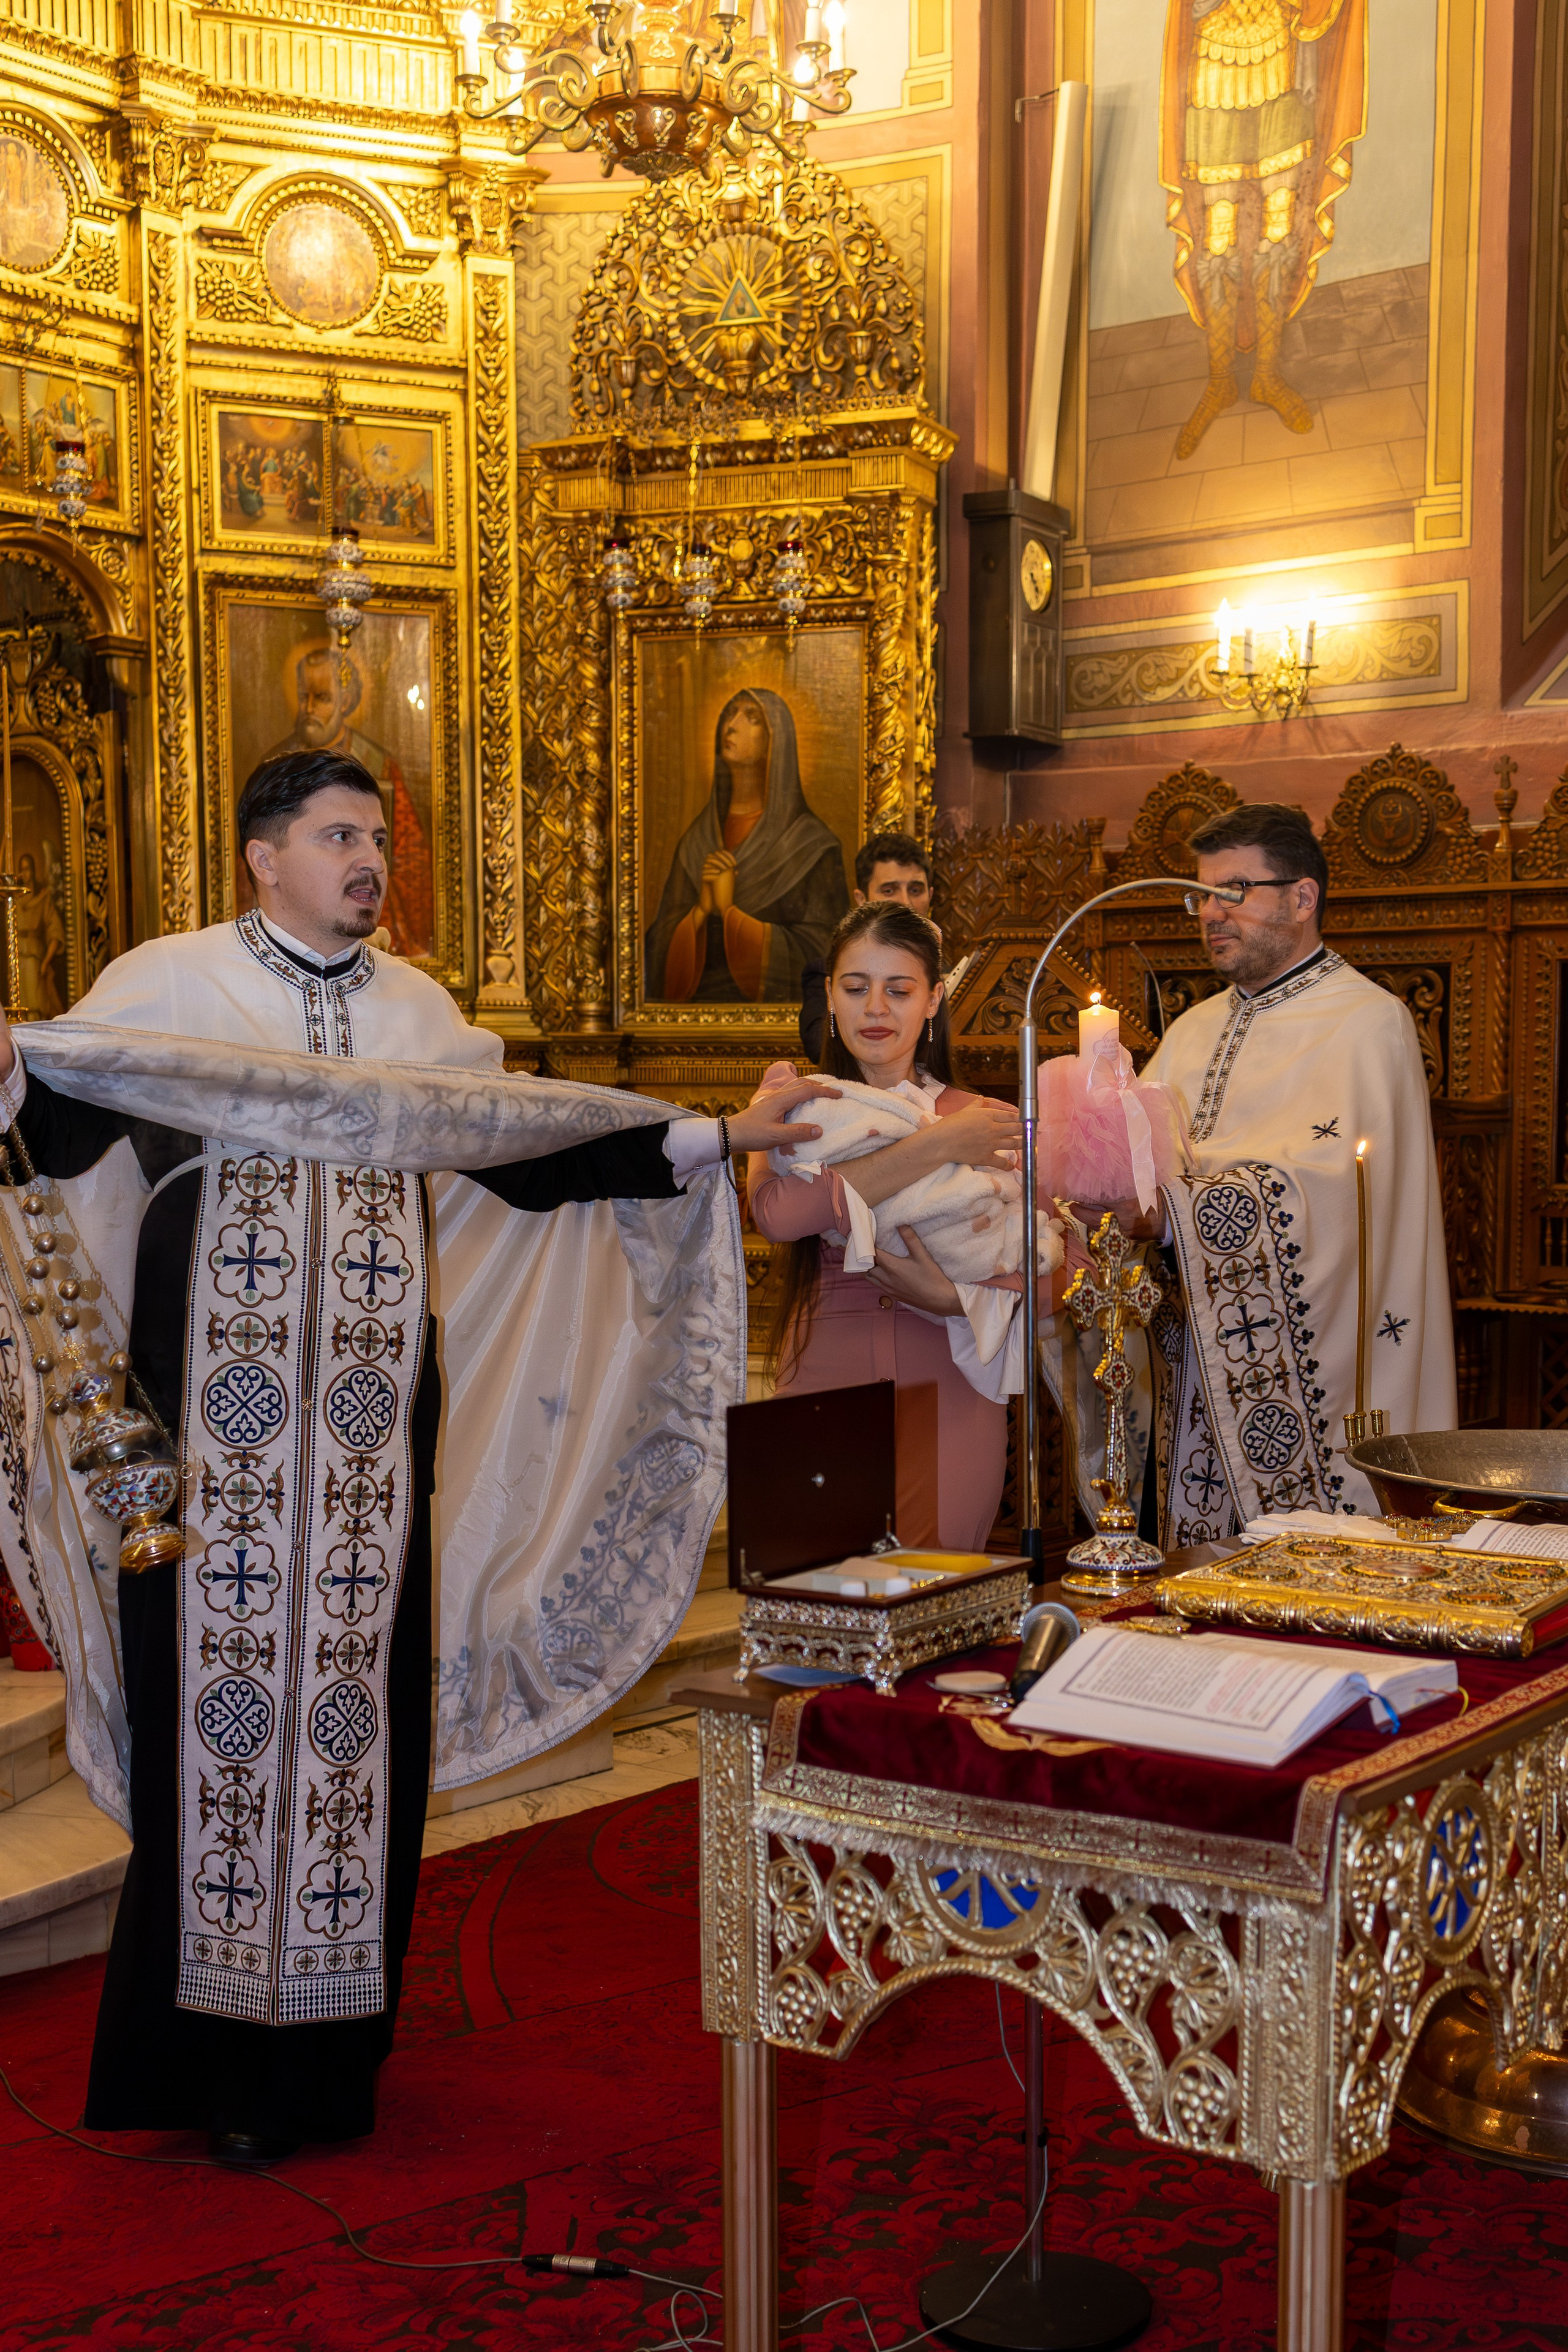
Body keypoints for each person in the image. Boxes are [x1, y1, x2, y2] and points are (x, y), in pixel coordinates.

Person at [0, 747, 823, 2165]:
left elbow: (532, 1147)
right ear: (264, 855)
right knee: (211, 1719)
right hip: (210, 1433)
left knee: (351, 1730)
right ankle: (205, 2061)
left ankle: (323, 2068)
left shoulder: (416, 1010)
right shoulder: (172, 980)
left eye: (375, 836)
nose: (368, 858)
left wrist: (720, 1135)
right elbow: (57, 1117)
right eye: (337, 835)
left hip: (374, 1435)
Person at [1071, 802, 1455, 1542]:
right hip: (1188, 1354)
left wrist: (1173, 1210)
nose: (1211, 913)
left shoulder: (1366, 1021)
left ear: (1302, 898)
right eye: (1202, 896)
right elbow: (1130, 1154)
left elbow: (1337, 1193)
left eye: (1234, 892)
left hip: (1318, 1355)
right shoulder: (1193, 1028)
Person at [749, 900, 1035, 1549]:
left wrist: (957, 1300)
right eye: (855, 988)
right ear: (829, 995)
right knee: (816, 1598)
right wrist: (936, 1148)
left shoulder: (986, 1116)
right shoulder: (790, 1105)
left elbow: (1062, 1268)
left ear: (933, 999)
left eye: (898, 990)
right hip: (825, 1373)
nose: (875, 1008)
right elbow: (781, 1216)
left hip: (952, 1384)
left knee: (938, 1603)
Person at [1163, 0, 1367, 458]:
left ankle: (1267, 375)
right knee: (1217, 239)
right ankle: (1220, 381)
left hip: (1282, 61)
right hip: (1213, 68)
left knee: (1279, 230)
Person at [645, 688, 850, 1003]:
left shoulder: (811, 845)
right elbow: (653, 955)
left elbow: (827, 955)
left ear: (775, 742)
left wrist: (731, 914)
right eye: (729, 714)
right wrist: (699, 914)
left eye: (750, 718)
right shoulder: (695, 844)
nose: (731, 725)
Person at [265, 645, 432, 960]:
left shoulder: (380, 766)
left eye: (323, 698)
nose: (309, 708)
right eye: (304, 697)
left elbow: (413, 857)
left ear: (347, 702)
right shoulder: (273, 770)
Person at [798, 831, 938, 1063]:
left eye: (915, 890)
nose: (905, 903)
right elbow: (819, 1046)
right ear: (862, 899)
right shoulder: (825, 971)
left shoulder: (955, 972)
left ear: (931, 895)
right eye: (889, 890)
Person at [13, 849, 64, 1019]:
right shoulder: (14, 901)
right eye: (22, 869)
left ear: (34, 871)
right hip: (18, 960)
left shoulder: (44, 899)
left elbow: (55, 931)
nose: (25, 874)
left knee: (36, 1008)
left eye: (28, 869)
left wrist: (46, 961)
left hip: (35, 961)